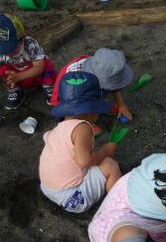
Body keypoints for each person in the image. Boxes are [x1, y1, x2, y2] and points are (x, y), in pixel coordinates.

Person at [39, 71, 121, 213]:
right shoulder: (82, 128)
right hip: (73, 198)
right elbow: (84, 162)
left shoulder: (59, 128)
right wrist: (104, 151)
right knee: (110, 165)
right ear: (92, 109)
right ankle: (119, 204)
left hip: (48, 189)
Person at [50, 48, 134, 135]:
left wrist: (121, 104)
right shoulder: (78, 85)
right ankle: (84, 122)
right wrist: (87, 119)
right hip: (68, 99)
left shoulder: (97, 64)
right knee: (80, 115)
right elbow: (73, 106)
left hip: (87, 90)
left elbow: (115, 85)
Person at [0, 13, 56, 109]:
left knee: (46, 64)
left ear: (22, 39)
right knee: (2, 70)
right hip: (17, 79)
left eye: (10, 49)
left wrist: (20, 76)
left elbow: (40, 66)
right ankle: (15, 90)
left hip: (36, 75)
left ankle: (49, 87)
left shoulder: (30, 44)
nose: (7, 54)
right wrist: (9, 81)